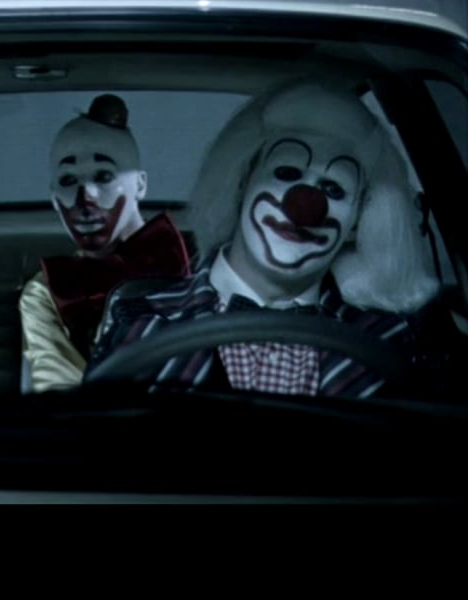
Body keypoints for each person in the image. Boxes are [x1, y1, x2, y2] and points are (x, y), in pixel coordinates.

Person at [87, 78, 462, 400]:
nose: (305, 205)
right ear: (241, 181)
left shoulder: (390, 341)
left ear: (358, 221)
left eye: (334, 189)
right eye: (286, 173)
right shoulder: (141, 319)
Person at [19, 94, 192, 392]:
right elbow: (59, 393)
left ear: (140, 185)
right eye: (68, 181)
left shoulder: (197, 265)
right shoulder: (47, 291)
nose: (86, 198)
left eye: (103, 176)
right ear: (53, 198)